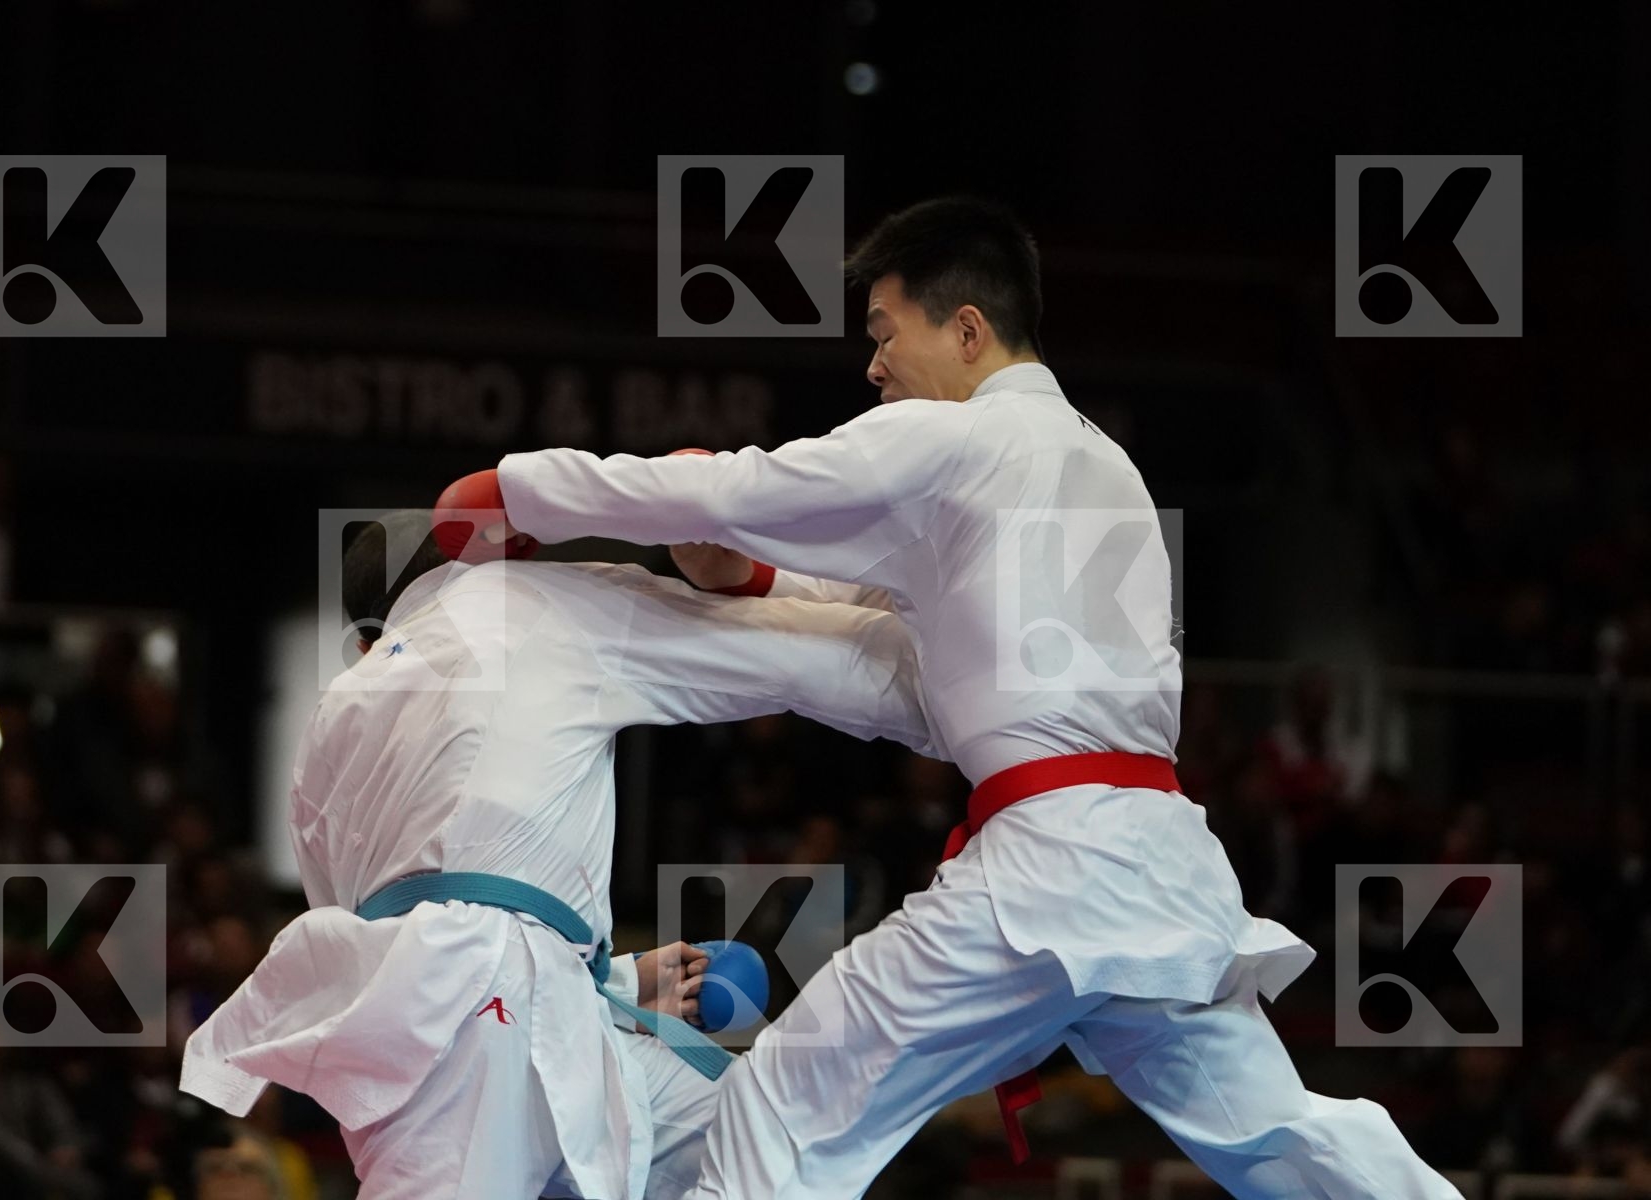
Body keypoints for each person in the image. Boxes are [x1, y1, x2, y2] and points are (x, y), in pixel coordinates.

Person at [473, 196, 1459, 1198]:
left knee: (792, 1093)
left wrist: (523, 492)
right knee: (1286, 1140)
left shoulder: (957, 443)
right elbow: (928, 655)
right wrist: (748, 579)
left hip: (1048, 875)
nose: (873, 367)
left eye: (884, 333)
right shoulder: (1106, 470)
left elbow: (750, 488)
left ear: (967, 329)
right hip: (1160, 874)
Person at [180, 509, 939, 1199]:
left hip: (491, 1018)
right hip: (482, 1019)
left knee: (751, 1139)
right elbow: (786, 652)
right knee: (779, 1150)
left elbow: (381, 920)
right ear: (483, 563)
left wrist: (617, 980)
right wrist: (965, 695)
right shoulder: (528, 603)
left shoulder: (331, 714)